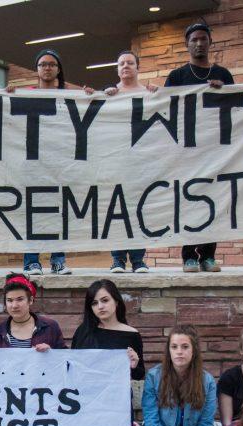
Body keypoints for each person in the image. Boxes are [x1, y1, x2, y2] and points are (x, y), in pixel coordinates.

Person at [165, 23, 235, 274]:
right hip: (187, 151)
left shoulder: (224, 75)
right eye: (194, 39)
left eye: (203, 39)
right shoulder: (177, 76)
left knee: (211, 202)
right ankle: (189, 257)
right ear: (187, 44)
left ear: (209, 42)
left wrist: (224, 92)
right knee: (189, 202)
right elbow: (165, 109)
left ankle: (208, 256)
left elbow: (237, 108)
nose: (198, 43)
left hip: (215, 150)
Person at [11, 49, 72, 276]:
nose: (47, 68)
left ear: (58, 69)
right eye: (43, 64)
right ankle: (31, 262)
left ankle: (58, 260)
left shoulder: (69, 96)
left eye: (52, 64)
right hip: (33, 165)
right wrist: (4, 95)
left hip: (60, 165)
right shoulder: (26, 94)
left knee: (59, 212)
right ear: (37, 69)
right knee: (32, 213)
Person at [102, 50, 151, 275]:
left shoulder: (149, 93)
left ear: (137, 67)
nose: (125, 66)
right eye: (121, 63)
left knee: (138, 211)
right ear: (117, 69)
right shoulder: (111, 95)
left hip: (141, 164)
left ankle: (138, 260)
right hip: (117, 162)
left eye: (130, 63)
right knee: (117, 211)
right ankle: (118, 260)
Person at [71, 279, 144, 381]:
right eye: (94, 303)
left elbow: (139, 375)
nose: (100, 306)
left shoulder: (131, 334)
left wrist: (134, 365)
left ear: (116, 301)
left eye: (105, 300)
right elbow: (71, 365)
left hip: (115, 393)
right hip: (86, 392)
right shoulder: (83, 330)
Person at [0, 273, 66, 350]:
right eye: (9, 300)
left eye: (20, 299)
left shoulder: (50, 327)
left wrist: (51, 353)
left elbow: (65, 359)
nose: (14, 305)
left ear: (30, 300)